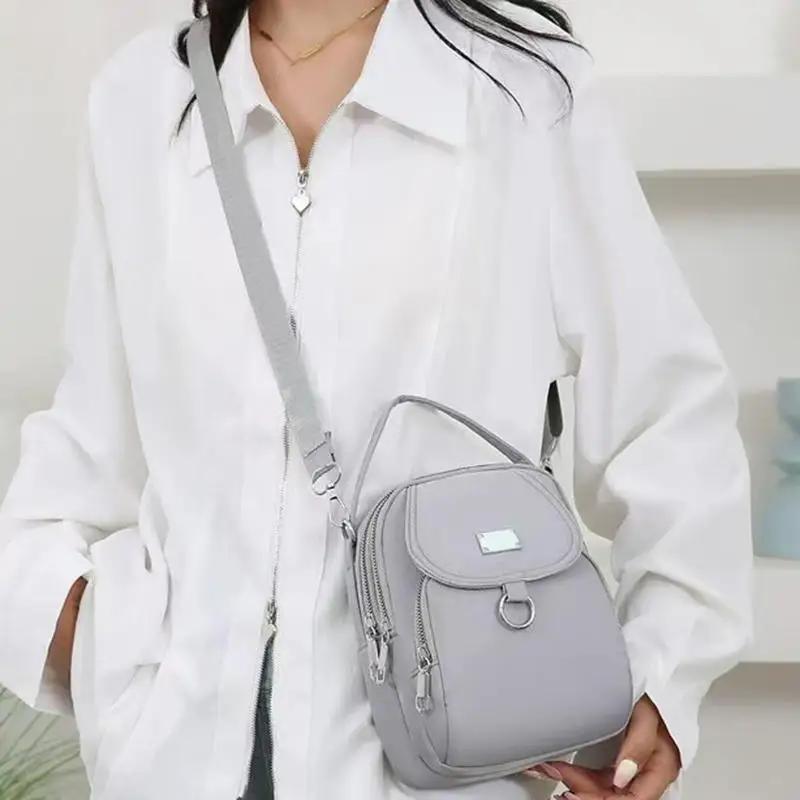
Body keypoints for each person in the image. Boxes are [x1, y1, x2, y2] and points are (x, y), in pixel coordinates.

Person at [0, 0, 753, 798]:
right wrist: (86, 642)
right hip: (176, 757)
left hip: (439, 758)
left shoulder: (522, 91)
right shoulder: (143, 97)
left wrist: (665, 676)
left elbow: (666, 417)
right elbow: (88, 447)